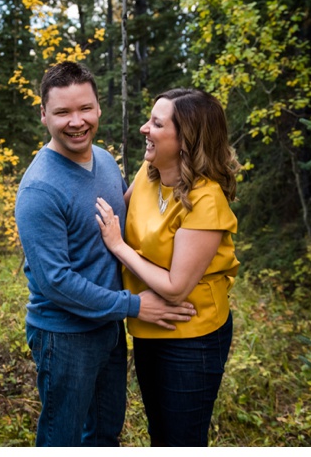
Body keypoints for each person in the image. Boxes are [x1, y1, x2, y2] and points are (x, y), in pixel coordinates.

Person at [15, 62, 198, 447]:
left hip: (109, 328)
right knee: (61, 439)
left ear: (99, 108)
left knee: (104, 435)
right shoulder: (39, 190)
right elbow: (55, 282)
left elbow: (137, 217)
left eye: (85, 109)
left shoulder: (104, 160)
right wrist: (133, 305)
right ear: (43, 114)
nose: (76, 121)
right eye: (63, 112)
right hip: (64, 336)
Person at [95, 88, 241, 447]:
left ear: (186, 141)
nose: (145, 128)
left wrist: (119, 247)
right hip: (148, 327)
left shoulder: (206, 199)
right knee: (160, 434)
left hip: (192, 336)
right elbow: (115, 212)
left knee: (182, 441)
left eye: (157, 123)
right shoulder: (150, 174)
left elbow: (176, 286)